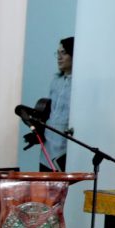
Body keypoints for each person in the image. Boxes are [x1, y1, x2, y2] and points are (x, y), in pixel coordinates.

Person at [27, 37, 72, 170]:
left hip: (65, 145)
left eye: (64, 53)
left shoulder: (78, 82)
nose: (59, 58)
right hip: (48, 143)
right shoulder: (56, 80)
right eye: (57, 53)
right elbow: (50, 113)